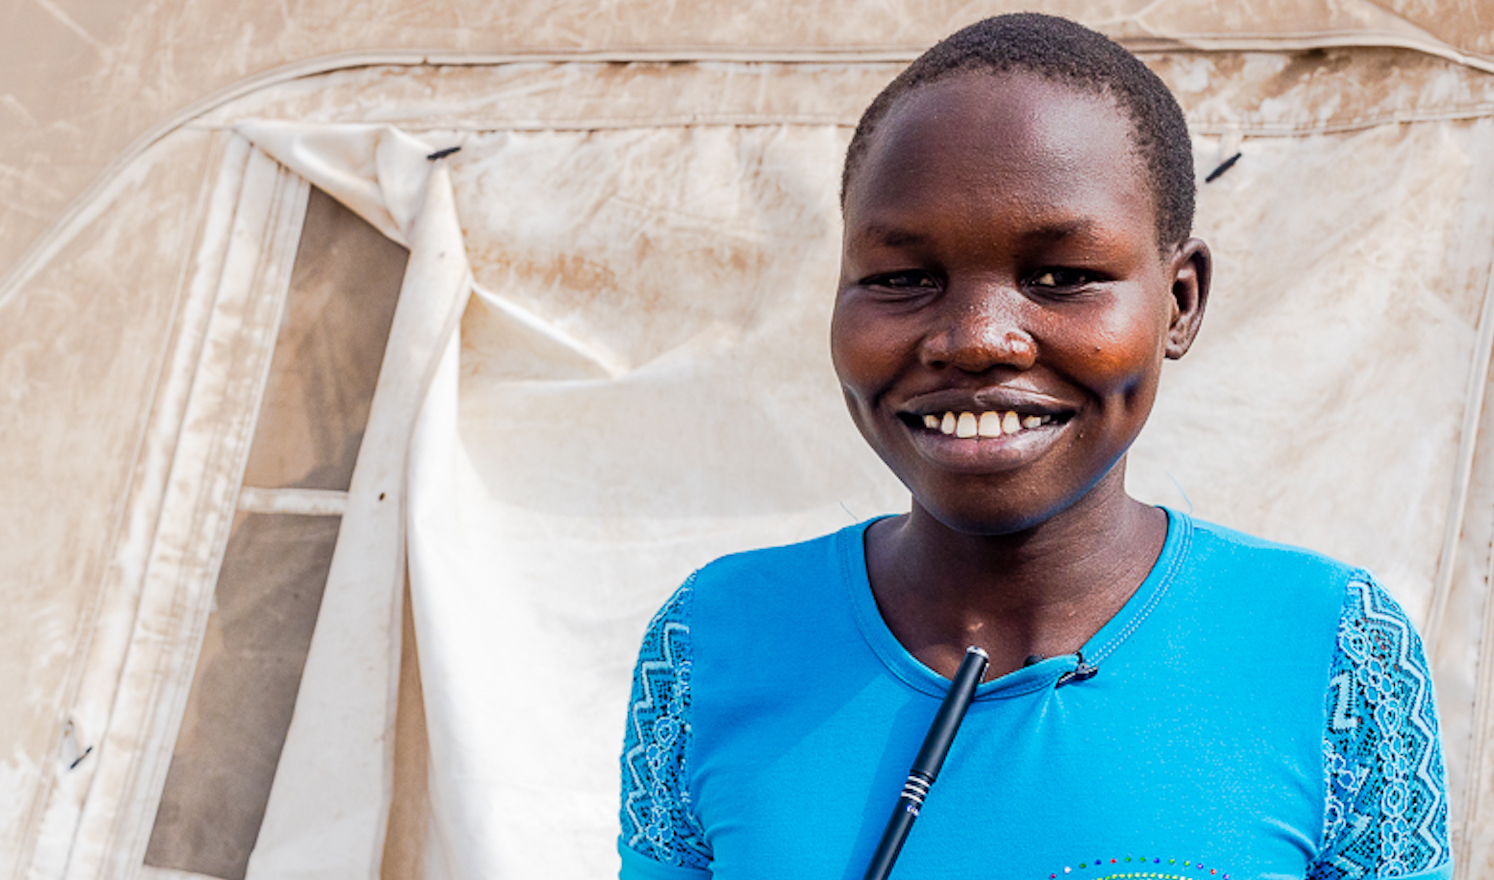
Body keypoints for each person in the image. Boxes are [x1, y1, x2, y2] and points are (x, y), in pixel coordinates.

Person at [616, 13, 1451, 880]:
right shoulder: (715, 640)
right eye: (903, 279)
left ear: (1180, 301)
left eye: (1061, 278)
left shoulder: (1330, 651)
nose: (977, 339)